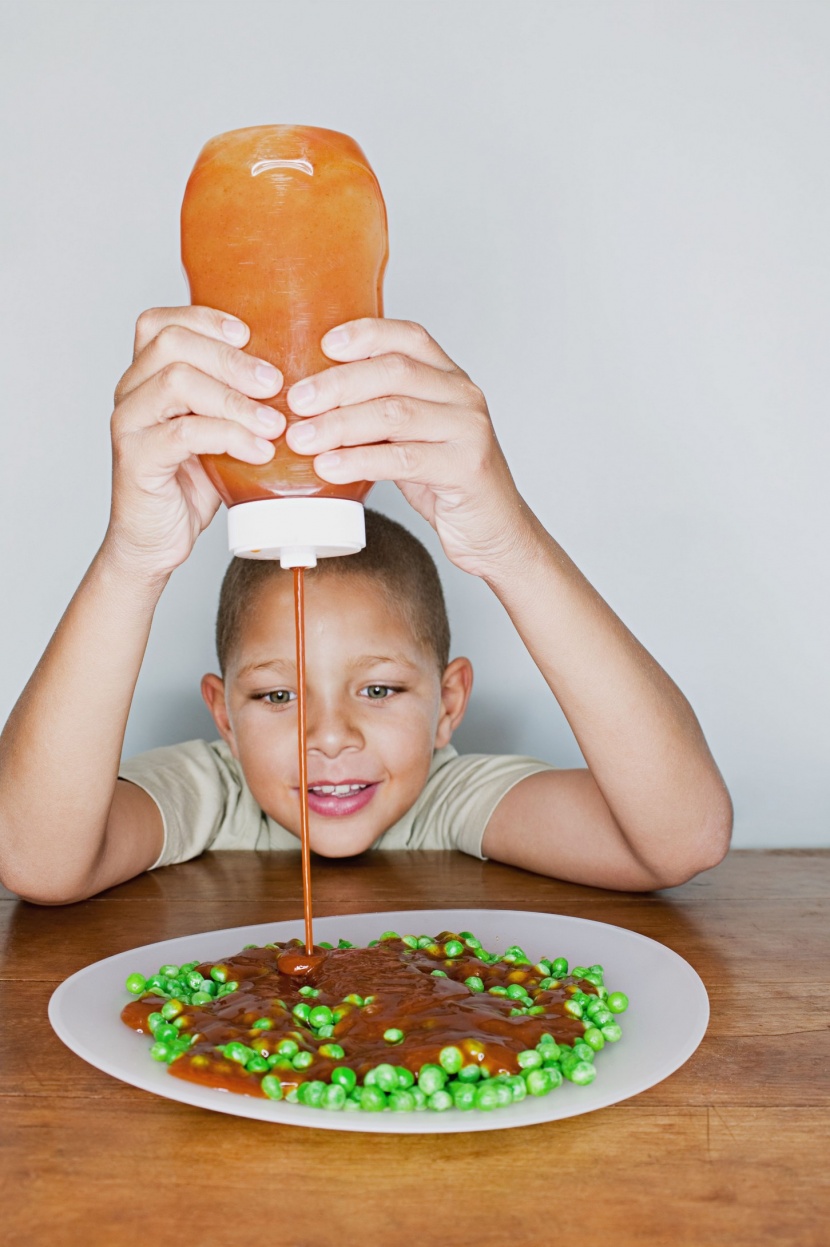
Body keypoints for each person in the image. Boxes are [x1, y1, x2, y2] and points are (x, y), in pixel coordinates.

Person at [0, 309, 732, 904]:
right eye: (276, 694)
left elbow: (682, 839)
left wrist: (511, 546)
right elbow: (37, 862)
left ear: (448, 705)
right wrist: (133, 559)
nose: (328, 735)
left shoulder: (448, 796)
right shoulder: (211, 792)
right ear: (223, 715)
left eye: (380, 688)